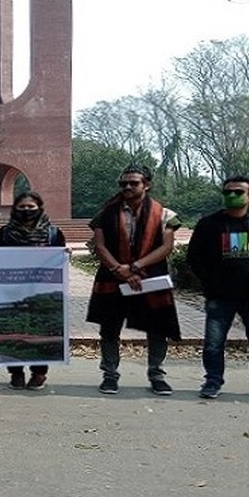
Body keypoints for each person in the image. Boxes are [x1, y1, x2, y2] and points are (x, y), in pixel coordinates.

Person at [186, 175, 249, 401]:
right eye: (227, 192)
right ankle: (212, 381)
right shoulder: (209, 224)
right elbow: (194, 257)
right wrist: (208, 281)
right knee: (213, 344)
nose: (231, 196)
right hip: (219, 296)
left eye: (238, 192)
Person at [86, 164, 181, 395]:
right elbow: (99, 245)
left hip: (151, 277)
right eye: (123, 183)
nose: (127, 187)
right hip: (113, 277)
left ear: (146, 185)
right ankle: (110, 375)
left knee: (157, 328)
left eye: (133, 183)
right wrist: (120, 269)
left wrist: (135, 267)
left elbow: (166, 246)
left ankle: (156, 374)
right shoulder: (106, 213)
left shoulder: (165, 215)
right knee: (109, 328)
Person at [0, 191, 66, 390]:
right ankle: (15, 373)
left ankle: (39, 373)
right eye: (22, 207)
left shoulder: (53, 233)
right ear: (14, 209)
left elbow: (59, 261)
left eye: (31, 207)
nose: (26, 211)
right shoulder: (4, 233)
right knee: (12, 329)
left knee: (40, 330)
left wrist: (64, 256)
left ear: (40, 208)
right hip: (11, 290)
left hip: (42, 291)